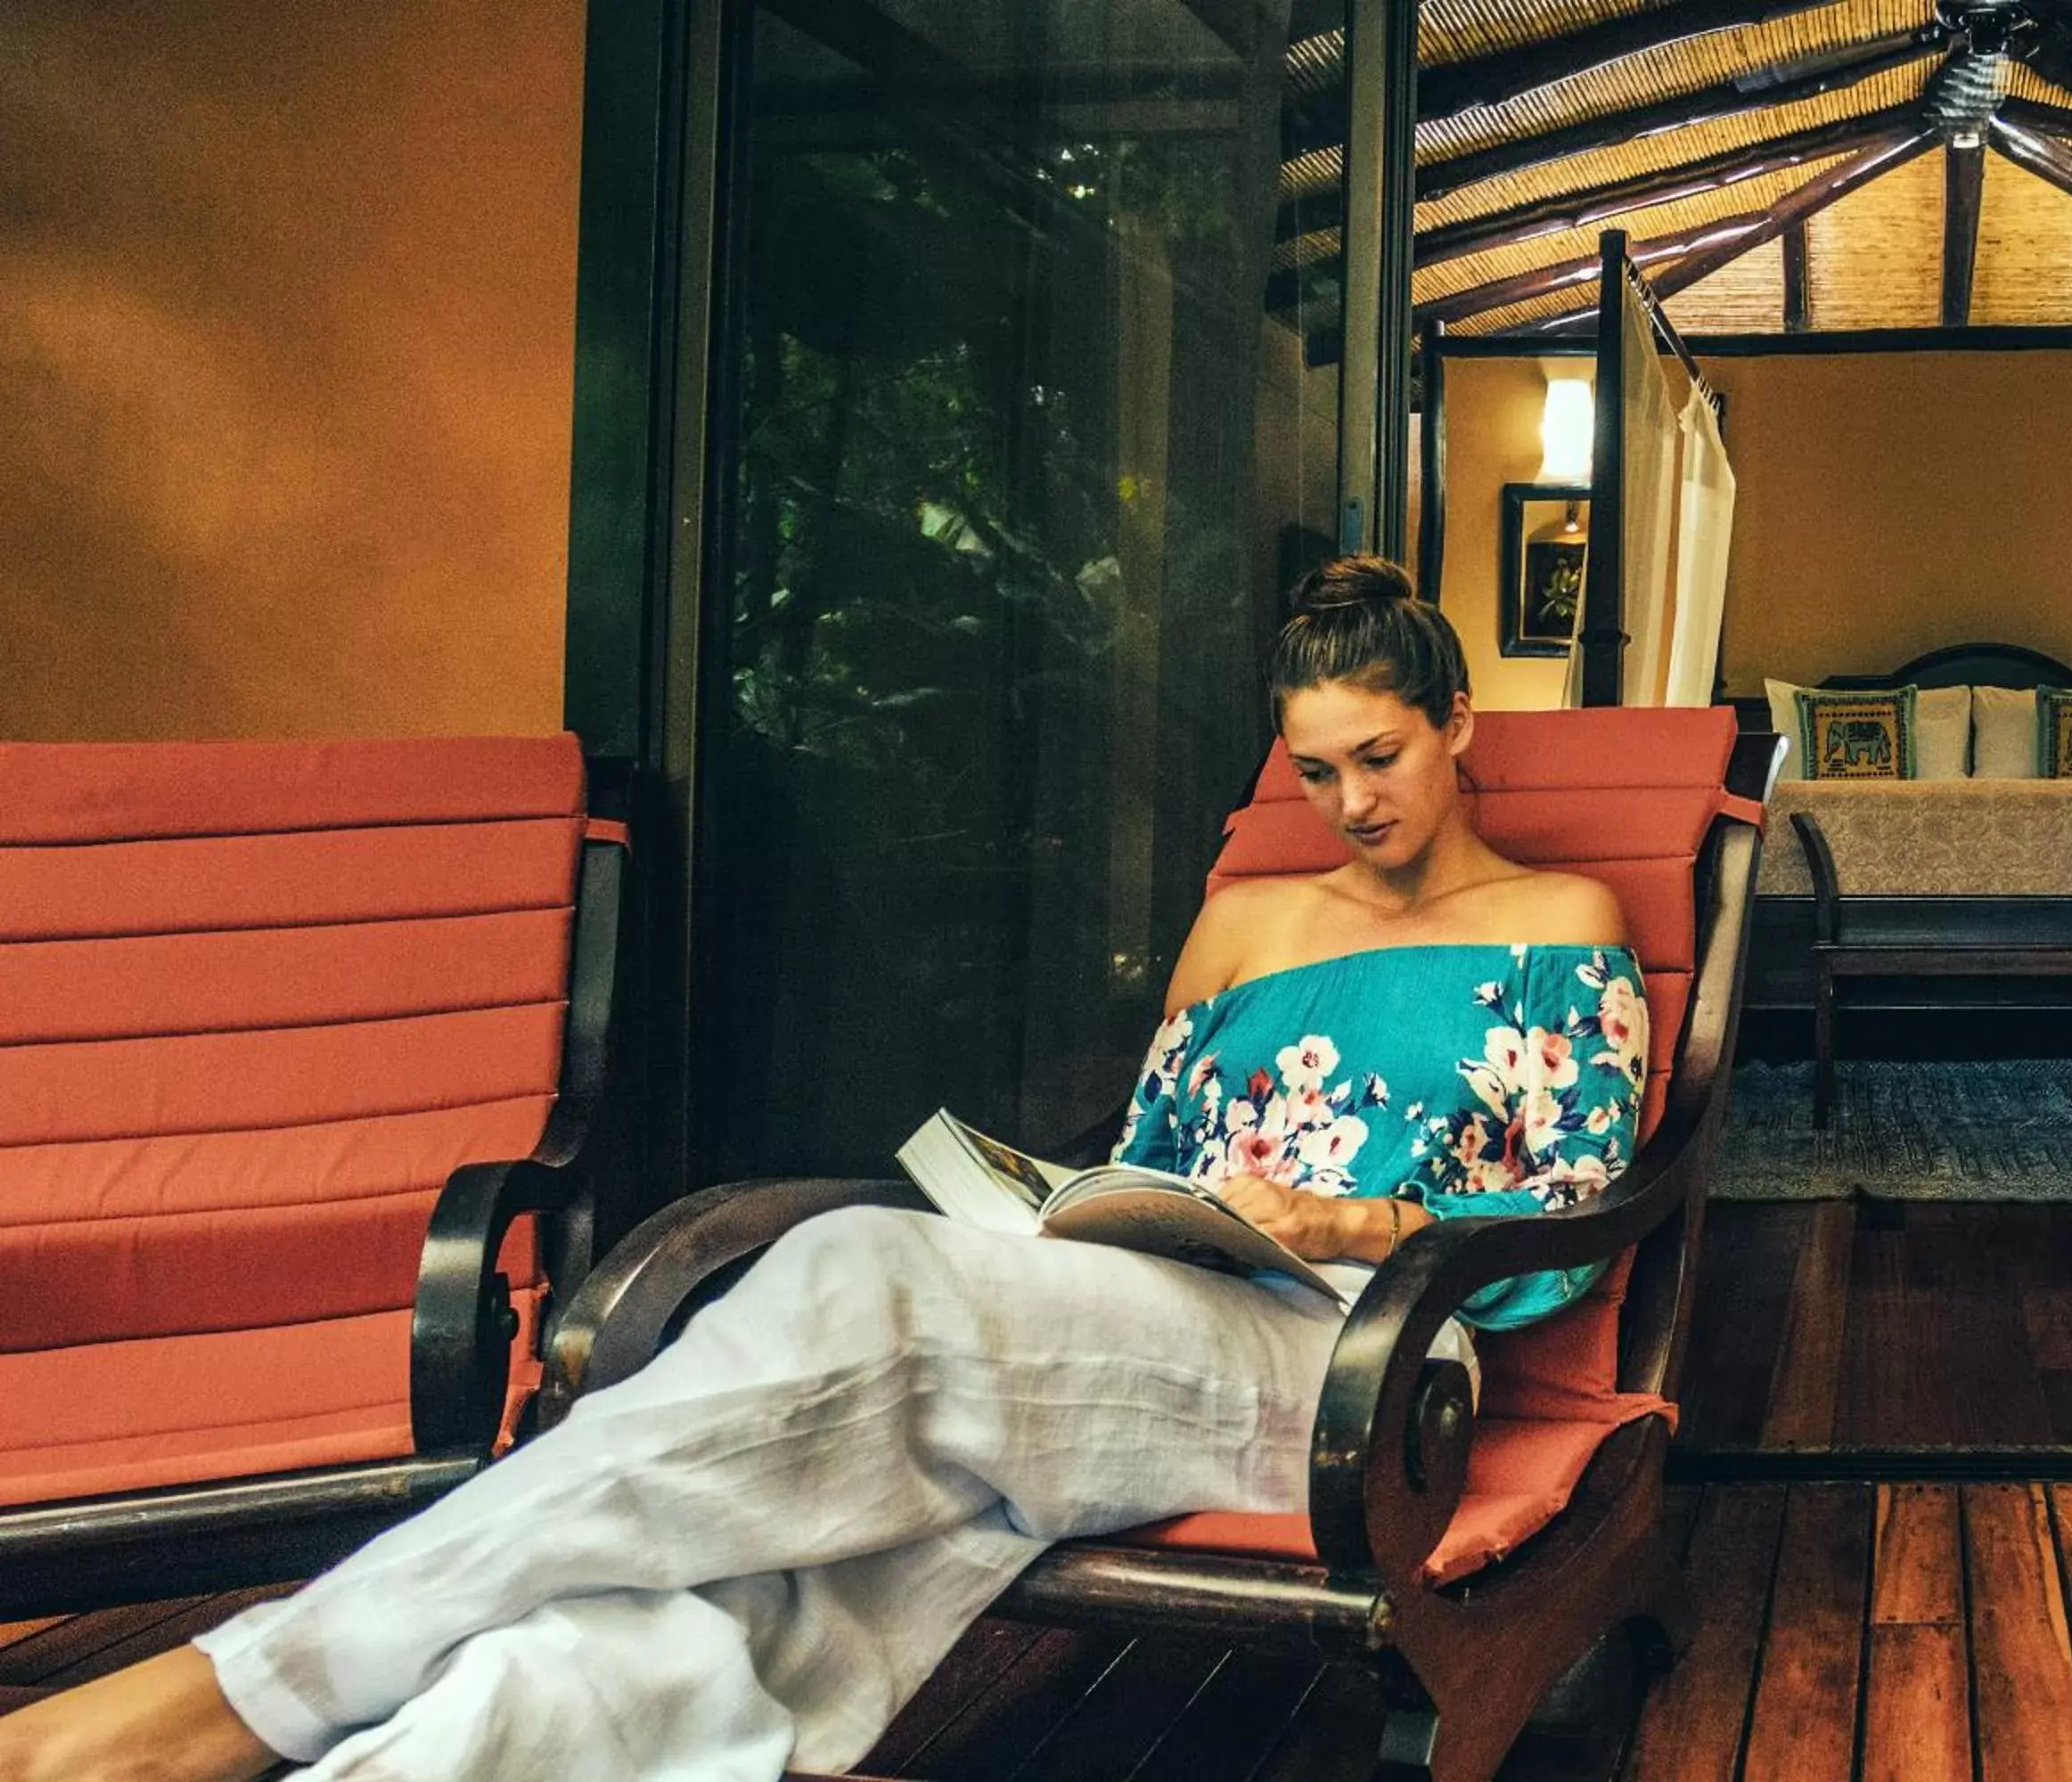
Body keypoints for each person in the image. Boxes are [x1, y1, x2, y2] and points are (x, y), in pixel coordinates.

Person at [0, 556, 1647, 1782]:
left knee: (872, 1288)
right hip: (1150, 1300)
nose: (1350, 800)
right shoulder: (1247, 924)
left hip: (1365, 1349)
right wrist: (1096, 1203)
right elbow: (1151, 1157)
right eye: (1314, 770)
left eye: (1382, 756)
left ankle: (244, 1692)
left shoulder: (1562, 926)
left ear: (1457, 725)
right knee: (774, 1570)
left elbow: (1575, 1215)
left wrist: (1355, 1214)